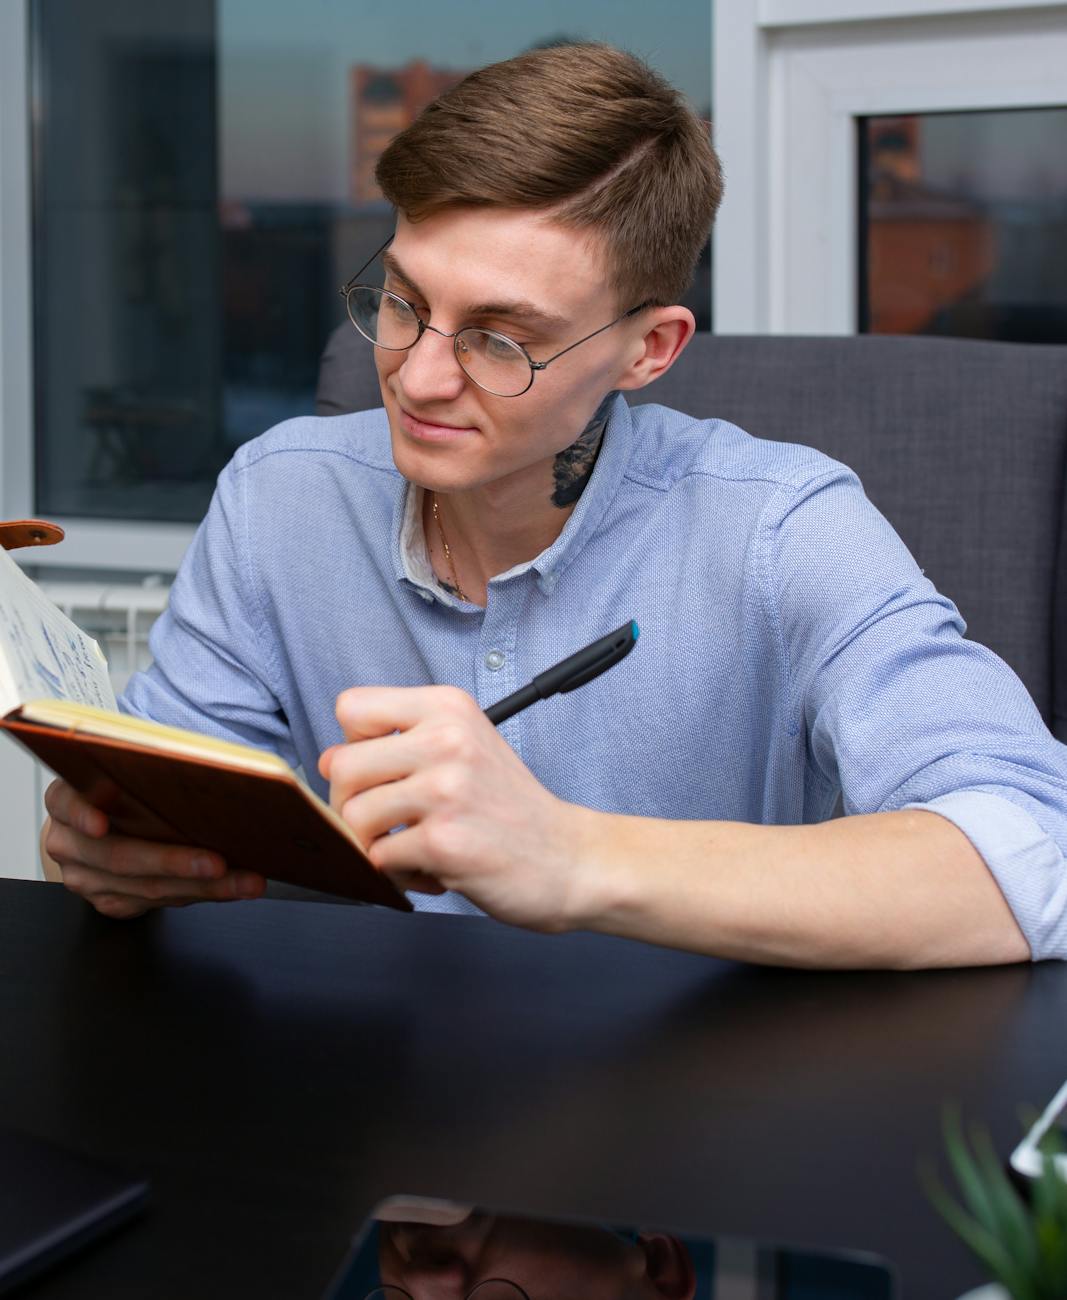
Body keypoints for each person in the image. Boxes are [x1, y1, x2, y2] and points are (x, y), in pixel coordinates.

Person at [42, 43, 1067, 967]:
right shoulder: (278, 496)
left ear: (646, 349)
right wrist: (121, 855)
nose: (417, 376)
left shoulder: (781, 526)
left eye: (500, 337)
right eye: (403, 301)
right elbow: (166, 808)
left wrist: (572, 856)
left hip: (703, 1113)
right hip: (359, 1094)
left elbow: (1033, 854)